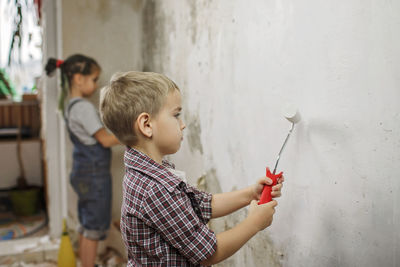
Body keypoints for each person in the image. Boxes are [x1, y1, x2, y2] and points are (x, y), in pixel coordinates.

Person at [99, 71, 283, 266]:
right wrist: (254, 223)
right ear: (146, 125)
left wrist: (250, 194)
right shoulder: (157, 189)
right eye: (176, 115)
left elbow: (202, 204)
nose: (183, 124)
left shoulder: (150, 171)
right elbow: (208, 254)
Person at [45, 54, 120, 267]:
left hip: (82, 173)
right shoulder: (83, 108)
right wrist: (132, 134)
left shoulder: (70, 106)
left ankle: (87, 264)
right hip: (94, 176)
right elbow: (104, 140)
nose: (97, 85)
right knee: (94, 227)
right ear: (79, 79)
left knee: (87, 225)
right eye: (95, 79)